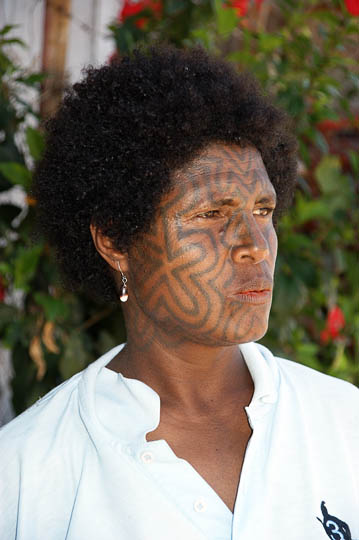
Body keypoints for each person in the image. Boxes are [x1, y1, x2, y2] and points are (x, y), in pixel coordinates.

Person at [0, 45, 358, 540]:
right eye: (210, 215)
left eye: (262, 211)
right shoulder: (26, 477)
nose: (256, 246)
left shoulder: (343, 424)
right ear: (115, 241)